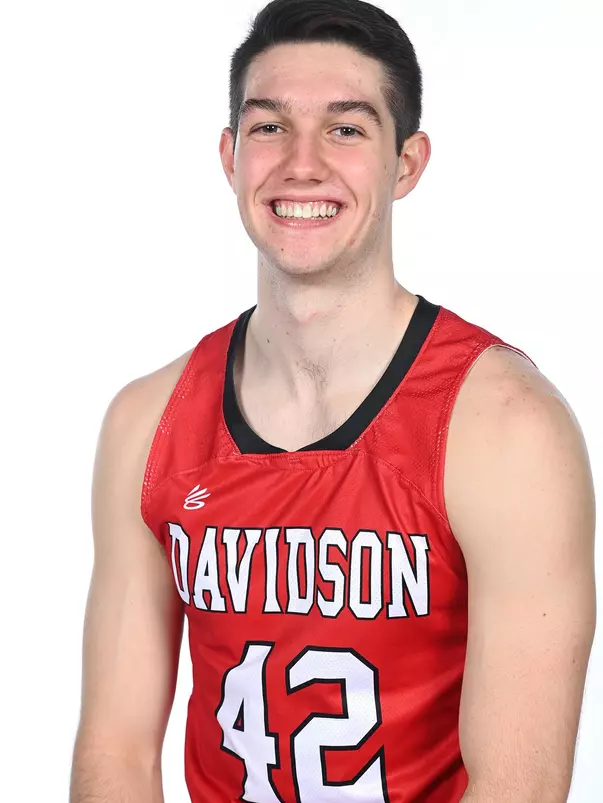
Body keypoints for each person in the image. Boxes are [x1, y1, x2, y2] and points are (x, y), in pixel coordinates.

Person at [69, 0, 596, 801]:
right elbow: (116, 752)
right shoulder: (147, 422)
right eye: (270, 126)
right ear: (230, 155)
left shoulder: (505, 430)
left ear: (405, 163)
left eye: (345, 129)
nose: (301, 164)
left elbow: (516, 788)